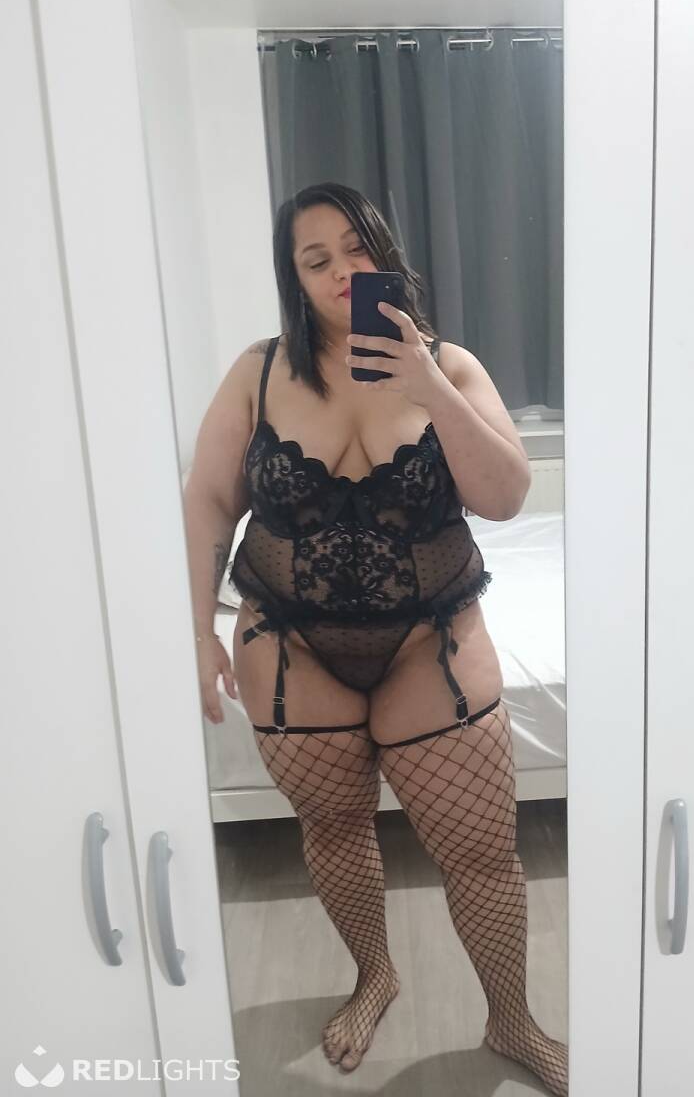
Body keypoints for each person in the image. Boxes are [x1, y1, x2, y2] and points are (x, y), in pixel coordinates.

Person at [183, 181, 568, 1096]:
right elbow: (208, 500)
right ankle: (375, 976)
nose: (342, 272)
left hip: (429, 635)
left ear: (386, 252)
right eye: (316, 260)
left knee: (482, 852)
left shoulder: (452, 367)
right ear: (294, 277)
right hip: (289, 639)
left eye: (357, 249)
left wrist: (426, 385)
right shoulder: (258, 372)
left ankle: (513, 1019)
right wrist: (196, 629)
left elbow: (506, 496)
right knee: (334, 827)